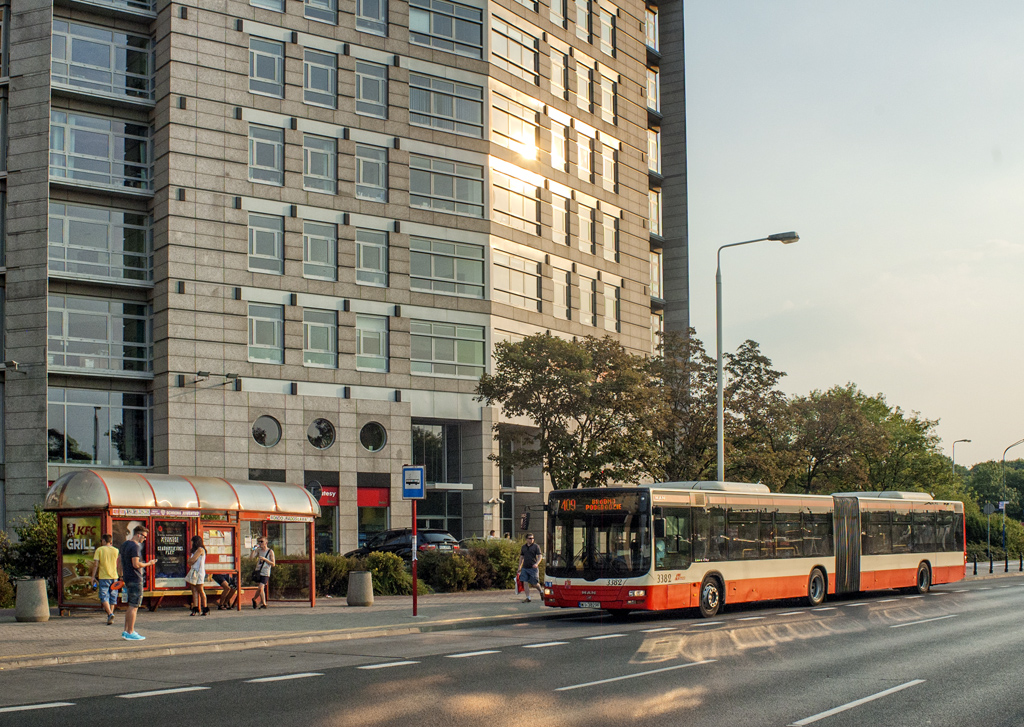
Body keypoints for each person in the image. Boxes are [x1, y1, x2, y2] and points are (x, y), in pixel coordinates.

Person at [119, 525, 157, 641]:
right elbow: (136, 564)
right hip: (135, 578)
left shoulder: (125, 544)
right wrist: (148, 564)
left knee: (130, 605)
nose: (144, 539)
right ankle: (130, 631)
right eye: (144, 537)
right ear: (138, 534)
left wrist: (121, 575)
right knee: (134, 606)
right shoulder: (135, 546)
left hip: (127, 577)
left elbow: (118, 561)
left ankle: (126, 631)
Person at [90, 534, 121, 626]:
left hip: (104, 576)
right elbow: (117, 564)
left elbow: (96, 565)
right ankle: (110, 616)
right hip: (114, 576)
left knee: (104, 597)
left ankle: (110, 614)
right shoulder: (116, 550)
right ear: (110, 541)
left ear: (103, 541)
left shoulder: (99, 550)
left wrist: (93, 577)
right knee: (113, 597)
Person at [516, 533, 544, 603]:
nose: (532, 540)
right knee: (525, 582)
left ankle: (541, 591)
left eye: (533, 538)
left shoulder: (536, 546)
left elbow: (540, 556)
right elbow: (521, 557)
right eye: (530, 538)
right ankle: (528, 597)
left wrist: (537, 564)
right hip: (525, 567)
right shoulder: (523, 547)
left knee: (534, 583)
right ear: (526, 539)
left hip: (533, 568)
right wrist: (519, 566)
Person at [185, 535, 208, 616]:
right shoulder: (195, 551)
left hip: (199, 572)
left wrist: (190, 561)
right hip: (194, 571)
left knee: (200, 590)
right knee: (194, 590)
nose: (191, 543)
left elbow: (192, 560)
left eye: (192, 541)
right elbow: (190, 561)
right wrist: (190, 561)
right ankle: (195, 608)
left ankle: (205, 608)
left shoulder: (200, 550)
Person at [251, 537, 275, 609]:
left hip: (265, 572)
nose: (260, 543)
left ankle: (254, 599)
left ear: (266, 543)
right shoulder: (259, 550)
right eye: (259, 542)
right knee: (261, 588)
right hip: (259, 570)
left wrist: (265, 559)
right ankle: (264, 603)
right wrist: (253, 550)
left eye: (261, 541)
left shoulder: (270, 551)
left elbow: (273, 564)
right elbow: (251, 558)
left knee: (261, 587)